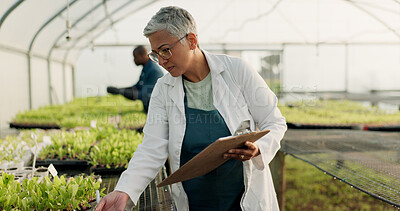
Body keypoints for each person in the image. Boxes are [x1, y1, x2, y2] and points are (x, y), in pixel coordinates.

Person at [96, 6, 287, 211]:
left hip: (242, 199)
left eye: (165, 50)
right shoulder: (163, 89)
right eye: (155, 54)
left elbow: (274, 121)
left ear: (192, 41)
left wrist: (259, 148)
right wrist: (124, 190)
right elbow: (152, 147)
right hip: (195, 200)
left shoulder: (237, 71)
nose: (161, 61)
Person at [107, 45, 164, 113]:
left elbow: (143, 95)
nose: (134, 60)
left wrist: (119, 91)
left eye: (135, 57)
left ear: (143, 55)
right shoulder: (146, 69)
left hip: (157, 112)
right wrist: (118, 90)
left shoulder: (153, 71)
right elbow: (137, 87)